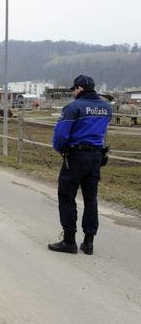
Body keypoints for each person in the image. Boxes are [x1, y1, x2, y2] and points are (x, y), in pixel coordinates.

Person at [48, 75, 112, 255]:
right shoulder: (106, 108)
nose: (73, 93)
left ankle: (69, 241)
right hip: (96, 157)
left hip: (76, 156)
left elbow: (61, 135)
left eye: (73, 89)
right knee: (91, 199)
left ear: (79, 89)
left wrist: (60, 149)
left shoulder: (73, 107)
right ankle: (89, 242)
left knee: (67, 197)